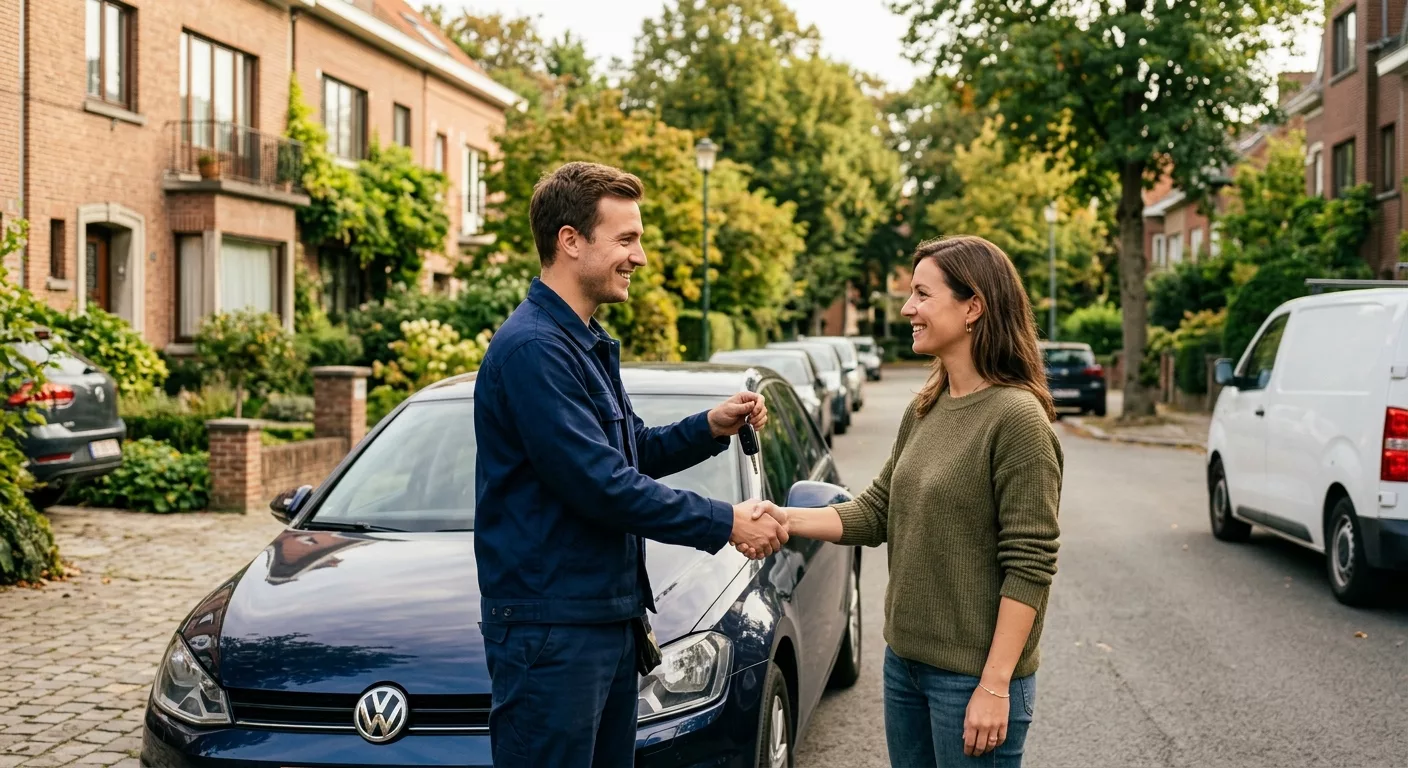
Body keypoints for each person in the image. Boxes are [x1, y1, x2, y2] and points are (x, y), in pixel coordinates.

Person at [474, 161, 790, 768]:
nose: (638, 257)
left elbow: (628, 451)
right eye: (626, 239)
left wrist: (709, 425)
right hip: (554, 633)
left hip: (599, 622)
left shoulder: (580, 340)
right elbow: (601, 485)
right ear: (571, 241)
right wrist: (726, 521)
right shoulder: (535, 349)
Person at [745, 235, 1062, 767]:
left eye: (921, 294)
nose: (907, 308)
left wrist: (995, 684)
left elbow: (1030, 565)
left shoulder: (1017, 419)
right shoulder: (927, 407)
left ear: (973, 307)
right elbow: (875, 512)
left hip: (971, 679)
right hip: (905, 665)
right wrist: (782, 517)